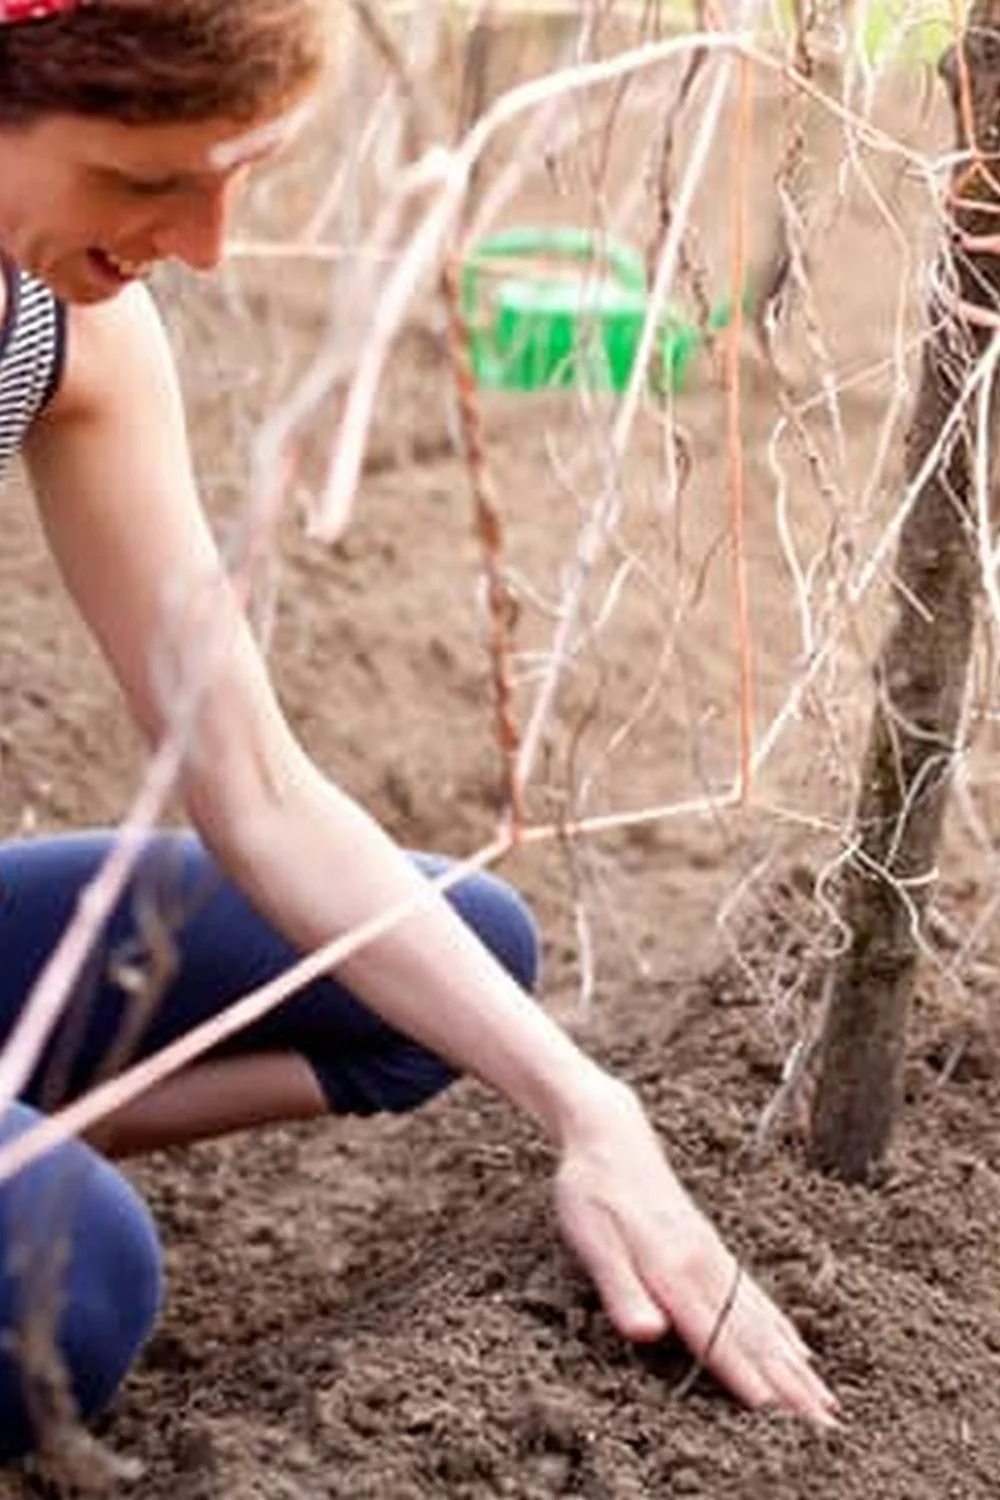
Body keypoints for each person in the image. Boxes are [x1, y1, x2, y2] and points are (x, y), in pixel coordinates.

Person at [0, 0, 838, 1465]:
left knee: (457, 958)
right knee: (73, 1290)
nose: (205, 247)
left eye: (235, 181)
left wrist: (594, 1113)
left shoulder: (67, 332)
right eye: (144, 182)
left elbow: (254, 784)